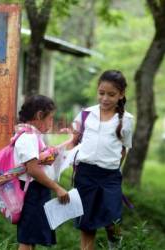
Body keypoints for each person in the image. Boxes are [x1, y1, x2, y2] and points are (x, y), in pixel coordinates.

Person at [71, 70, 133, 250]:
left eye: (111, 94)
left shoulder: (126, 120)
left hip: (110, 177)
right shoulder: (86, 115)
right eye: (101, 93)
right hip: (85, 175)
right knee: (87, 224)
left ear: (121, 94)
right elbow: (72, 142)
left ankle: (115, 247)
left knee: (113, 221)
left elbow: (123, 150)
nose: (105, 98)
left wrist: (112, 170)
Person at [15, 94, 70, 250]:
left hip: (37, 191)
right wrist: (57, 187)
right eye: (50, 118)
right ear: (39, 115)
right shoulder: (27, 137)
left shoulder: (33, 136)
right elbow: (32, 169)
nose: (52, 123)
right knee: (27, 238)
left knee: (31, 237)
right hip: (32, 192)